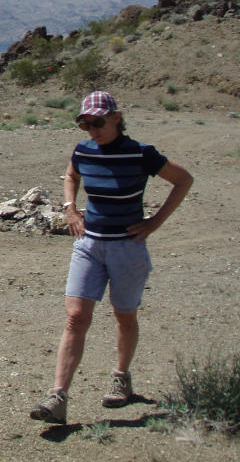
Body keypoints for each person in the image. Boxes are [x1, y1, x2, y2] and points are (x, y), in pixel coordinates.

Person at [30, 90, 193, 425]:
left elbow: (183, 180)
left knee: (124, 316)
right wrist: (70, 208)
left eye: (99, 122)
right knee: (75, 317)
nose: (93, 130)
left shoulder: (140, 154)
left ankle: (122, 377)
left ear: (117, 117)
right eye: (85, 124)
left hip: (127, 248)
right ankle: (57, 396)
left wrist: (155, 222)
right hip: (89, 244)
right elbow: (72, 175)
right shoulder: (84, 150)